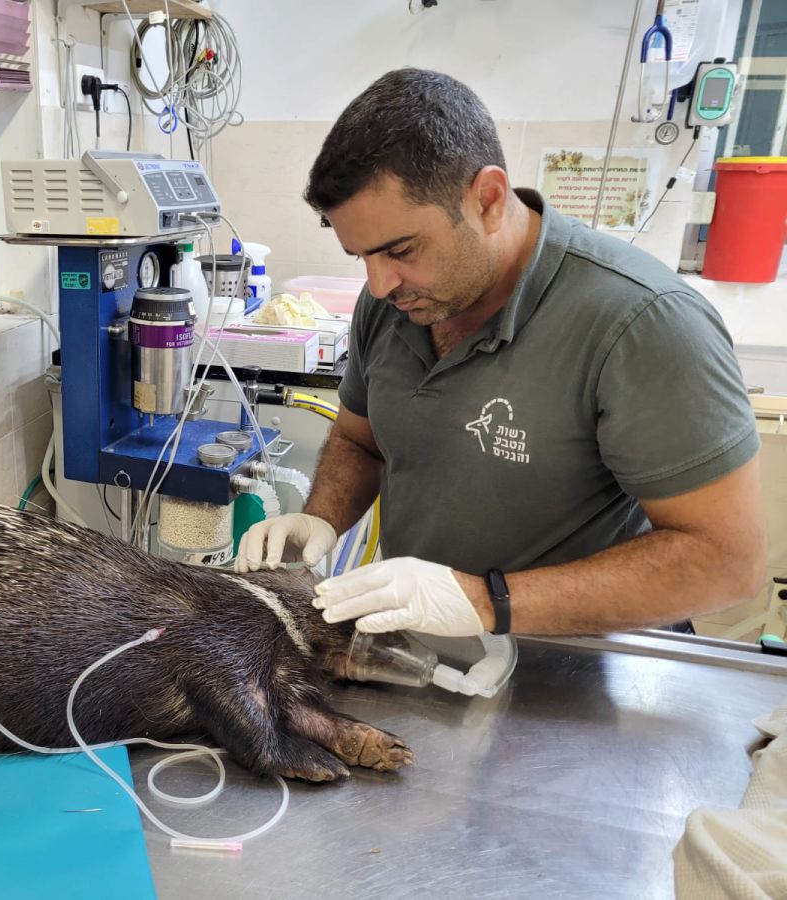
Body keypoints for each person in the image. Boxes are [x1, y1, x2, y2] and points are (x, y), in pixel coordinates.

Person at [236, 68, 766, 639]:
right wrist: (320, 518)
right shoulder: (389, 303)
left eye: (400, 249)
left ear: (487, 199)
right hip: (434, 655)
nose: (381, 282)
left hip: (591, 670)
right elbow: (359, 440)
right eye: (360, 255)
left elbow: (725, 563)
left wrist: (487, 603)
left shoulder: (640, 322)